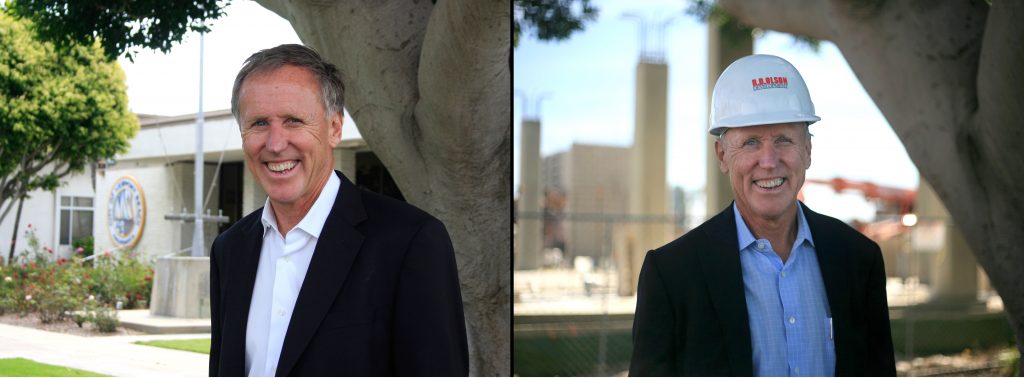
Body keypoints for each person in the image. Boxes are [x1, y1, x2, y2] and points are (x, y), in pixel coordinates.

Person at [209, 44, 468, 376]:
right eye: (259, 123)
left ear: (334, 128)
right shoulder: (229, 250)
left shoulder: (410, 243)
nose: (275, 143)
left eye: (293, 121)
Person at [629, 54, 896, 376]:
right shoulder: (672, 273)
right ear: (722, 155)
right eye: (751, 142)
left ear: (808, 151)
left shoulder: (858, 258)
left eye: (784, 140)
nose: (768, 162)